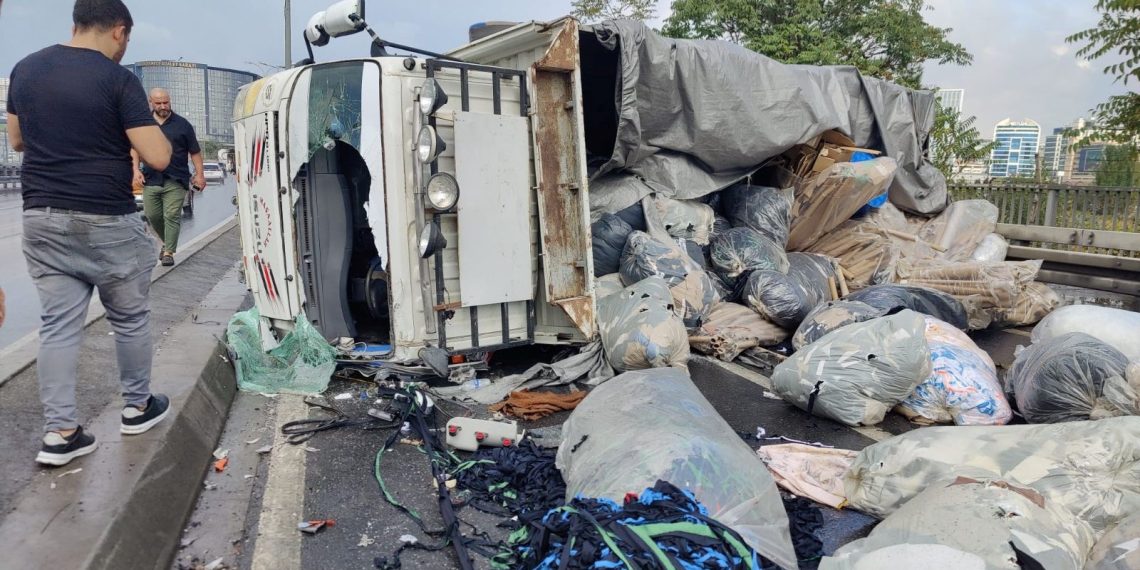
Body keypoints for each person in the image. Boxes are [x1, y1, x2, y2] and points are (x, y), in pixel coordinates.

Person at [6, 0, 173, 466]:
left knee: (57, 327)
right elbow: (157, 156)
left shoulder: (25, 69)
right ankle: (138, 408)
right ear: (119, 31)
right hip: (105, 218)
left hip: (41, 215)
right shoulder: (117, 79)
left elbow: (17, 140)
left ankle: (61, 434)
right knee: (130, 318)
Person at [133, 88, 204, 266]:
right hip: (151, 178)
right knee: (152, 215)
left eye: (166, 102)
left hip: (176, 179)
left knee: (171, 215)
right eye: (159, 103)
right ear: (151, 102)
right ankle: (166, 243)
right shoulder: (143, 124)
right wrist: (135, 170)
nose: (163, 106)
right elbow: (134, 148)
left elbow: (195, 152)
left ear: (170, 101)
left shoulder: (183, 125)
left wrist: (200, 175)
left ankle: (169, 252)